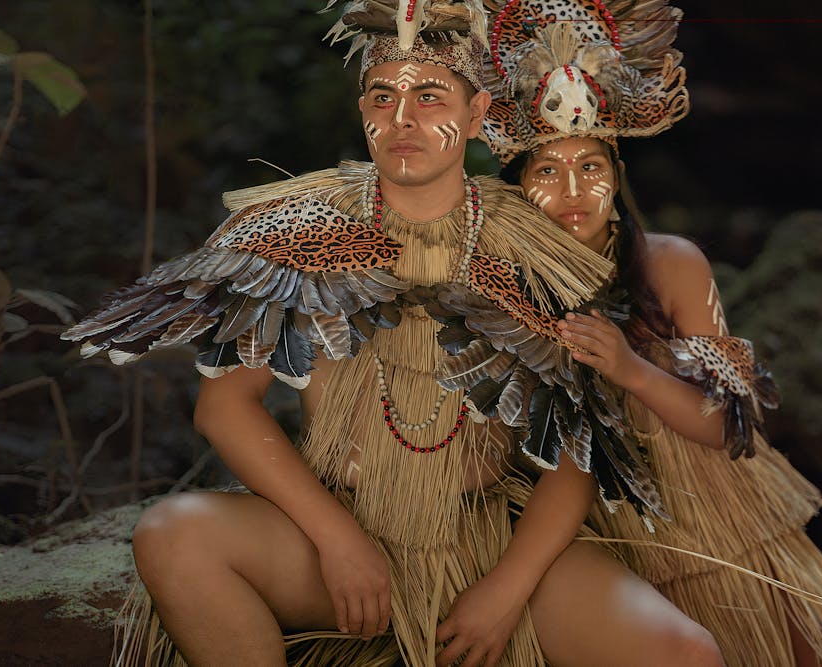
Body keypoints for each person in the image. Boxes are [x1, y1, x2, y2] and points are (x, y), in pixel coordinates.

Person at [64, 1, 727, 665]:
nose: (403, 118)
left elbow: (579, 447)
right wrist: (337, 540)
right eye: (383, 97)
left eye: (430, 97)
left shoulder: (534, 243)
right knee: (173, 534)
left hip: (489, 537)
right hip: (331, 529)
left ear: (476, 114)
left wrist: (506, 589)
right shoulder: (296, 230)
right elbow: (225, 408)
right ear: (363, 112)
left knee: (685, 653)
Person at [481, 0, 822, 664]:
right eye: (547, 170)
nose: (572, 189)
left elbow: (734, 423)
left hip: (730, 527)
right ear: (518, 188)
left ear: (616, 177)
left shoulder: (673, 265)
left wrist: (631, 370)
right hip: (617, 544)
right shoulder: (506, 290)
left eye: (590, 167)